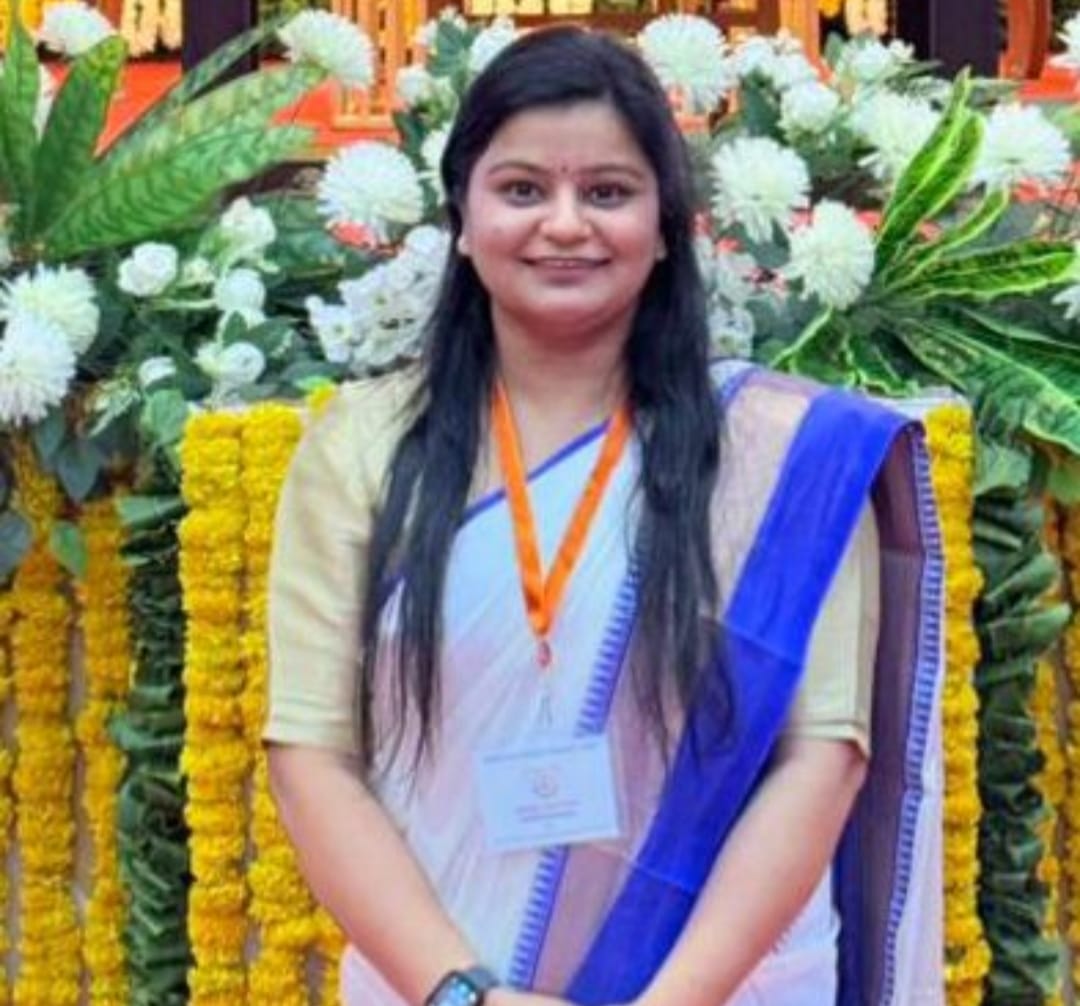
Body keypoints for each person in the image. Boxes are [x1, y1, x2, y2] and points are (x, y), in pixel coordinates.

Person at [264, 26, 944, 1006]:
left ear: (666, 226)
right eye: (522, 189)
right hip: (438, 980)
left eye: (609, 192)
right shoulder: (363, 448)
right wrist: (464, 994)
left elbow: (823, 756)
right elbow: (312, 754)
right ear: (462, 218)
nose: (565, 224)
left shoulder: (777, 456)